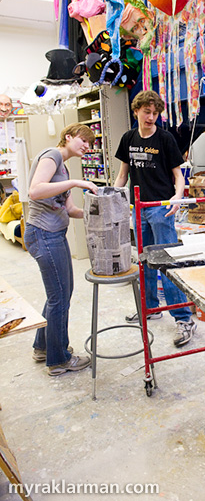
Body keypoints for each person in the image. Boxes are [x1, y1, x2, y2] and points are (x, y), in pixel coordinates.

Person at [114, 90, 196, 346]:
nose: (151, 117)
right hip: (138, 209)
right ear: (136, 111)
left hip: (161, 208)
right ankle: (150, 308)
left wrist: (177, 196)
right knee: (145, 261)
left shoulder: (165, 139)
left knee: (167, 263)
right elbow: (122, 176)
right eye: (146, 112)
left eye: (155, 113)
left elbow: (179, 176)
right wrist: (114, 200)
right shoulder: (128, 138)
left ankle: (184, 319)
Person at [27, 123, 98, 375]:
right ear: (68, 137)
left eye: (90, 143)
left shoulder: (64, 168)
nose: (87, 147)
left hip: (54, 234)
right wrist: (77, 183)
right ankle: (58, 360)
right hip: (43, 233)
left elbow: (69, 210)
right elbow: (34, 191)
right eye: (83, 140)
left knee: (59, 293)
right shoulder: (53, 155)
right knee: (59, 297)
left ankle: (43, 346)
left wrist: (98, 212)